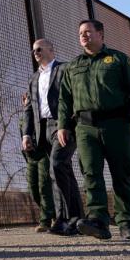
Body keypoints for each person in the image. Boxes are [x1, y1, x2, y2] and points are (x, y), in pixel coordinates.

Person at [58, 19, 130, 240]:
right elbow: (65, 99)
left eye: (88, 32)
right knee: (91, 173)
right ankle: (98, 220)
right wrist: (63, 125)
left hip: (116, 124)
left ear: (101, 34)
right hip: (85, 127)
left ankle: (126, 222)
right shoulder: (73, 66)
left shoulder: (119, 60)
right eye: (81, 33)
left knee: (122, 172)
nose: (84, 36)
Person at [22, 39, 83, 236]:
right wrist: (26, 134)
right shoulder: (33, 78)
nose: (36, 53)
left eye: (39, 49)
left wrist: (66, 124)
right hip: (42, 131)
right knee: (62, 170)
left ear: (51, 49)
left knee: (56, 165)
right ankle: (76, 219)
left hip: (62, 126)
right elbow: (30, 109)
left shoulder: (65, 69)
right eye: (33, 51)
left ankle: (63, 219)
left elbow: (74, 97)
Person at [20, 92, 56, 233]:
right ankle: (52, 213)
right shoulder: (23, 118)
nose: (27, 100)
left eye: (30, 98)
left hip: (43, 154)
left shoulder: (43, 115)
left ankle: (45, 221)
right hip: (30, 157)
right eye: (26, 98)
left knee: (44, 186)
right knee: (33, 188)